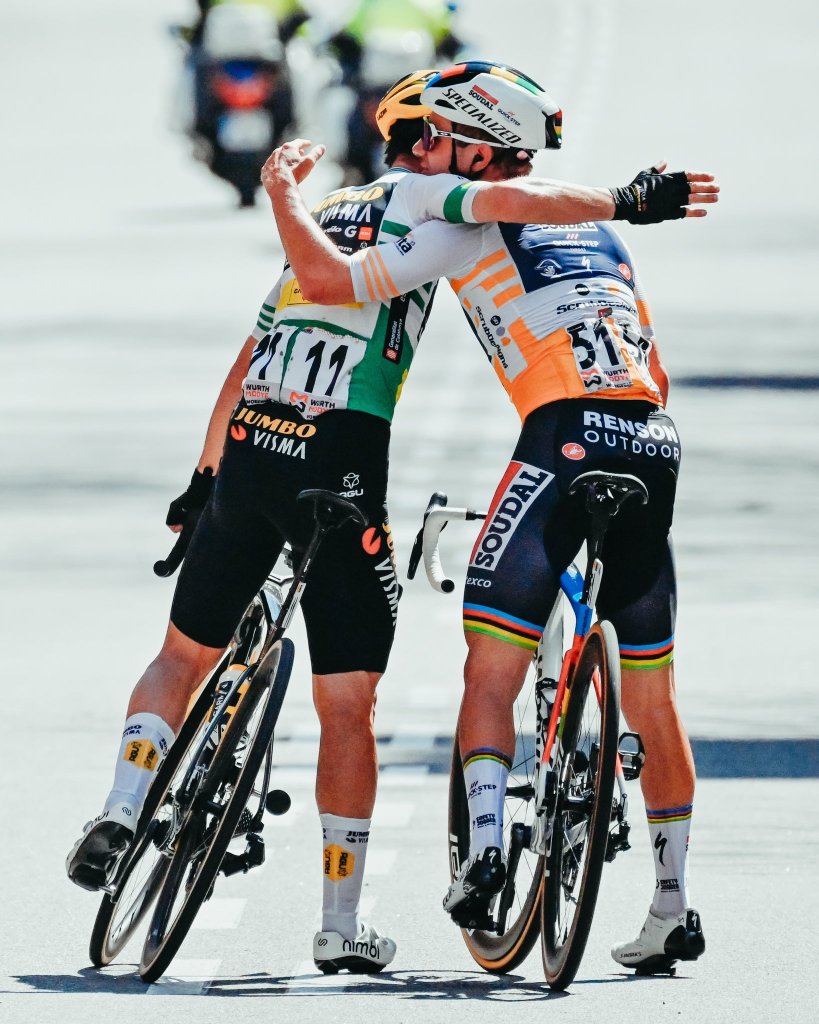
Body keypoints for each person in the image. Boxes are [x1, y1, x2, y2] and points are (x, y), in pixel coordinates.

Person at [67, 64, 711, 973]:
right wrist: (627, 201)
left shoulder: (376, 212)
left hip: (265, 441)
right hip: (617, 441)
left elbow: (284, 322)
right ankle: (355, 922)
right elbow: (578, 268)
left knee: (209, 654)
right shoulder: (539, 227)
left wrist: (203, 476)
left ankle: (130, 807)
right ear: (441, 145)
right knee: (366, 704)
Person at [259, 60, 718, 974]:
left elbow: (344, 282)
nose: (420, 156)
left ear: (469, 147)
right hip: (653, 438)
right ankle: (672, 904)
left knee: (490, 667)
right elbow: (653, 365)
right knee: (653, 693)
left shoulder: (456, 214)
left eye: (434, 139)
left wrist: (295, 208)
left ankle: (484, 855)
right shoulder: (599, 236)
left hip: (559, 439)